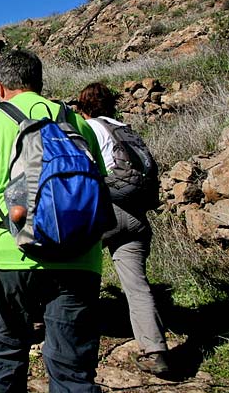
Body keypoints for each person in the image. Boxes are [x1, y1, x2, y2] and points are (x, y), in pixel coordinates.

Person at [0, 48, 106, 392]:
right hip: (79, 256)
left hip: (12, 256)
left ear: (0, 85)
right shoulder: (77, 122)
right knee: (74, 371)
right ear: (38, 82)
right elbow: (98, 186)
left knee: (5, 354)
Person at [76, 82, 170, 376]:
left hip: (106, 212)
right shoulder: (126, 128)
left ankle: (66, 335)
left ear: (84, 106)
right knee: (138, 285)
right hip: (137, 216)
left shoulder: (89, 128)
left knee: (73, 269)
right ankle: (156, 350)